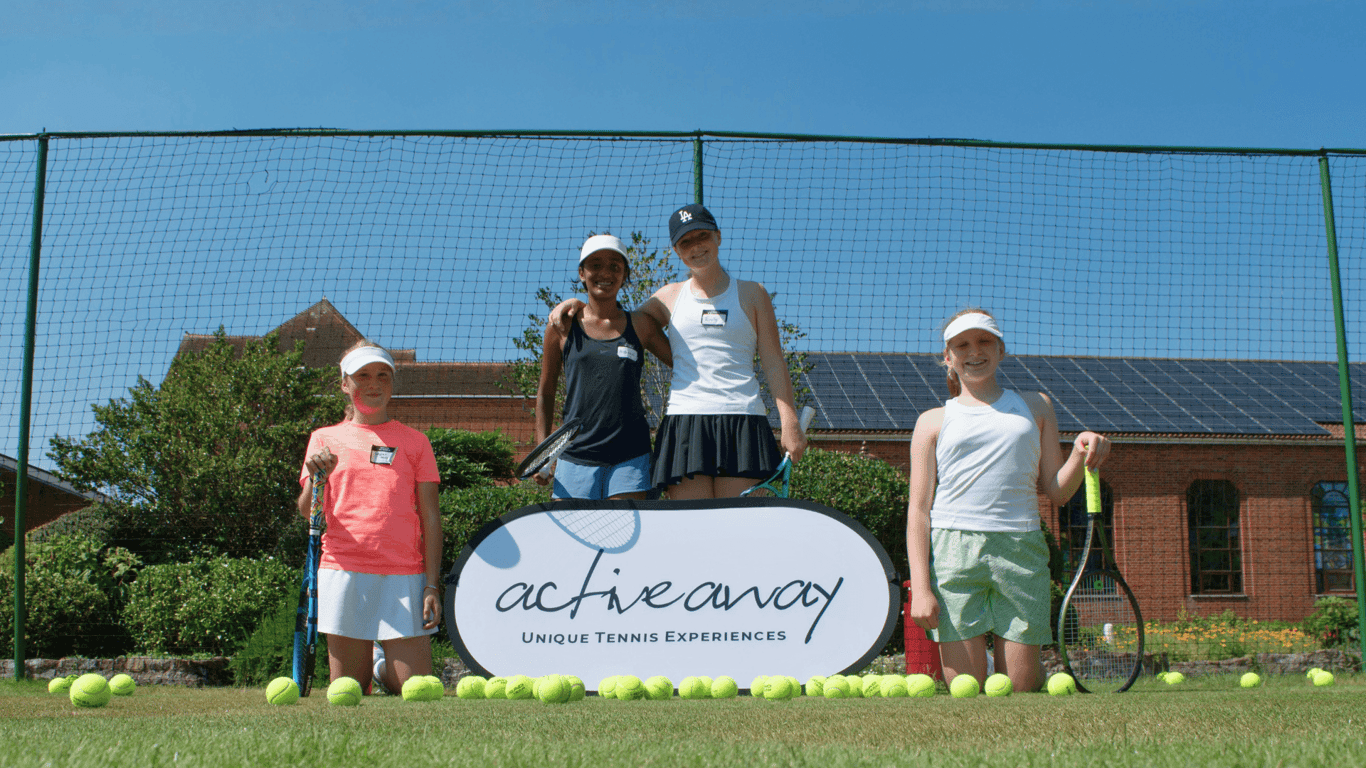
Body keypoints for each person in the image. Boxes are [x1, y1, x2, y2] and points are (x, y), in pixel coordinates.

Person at [905, 309, 1110, 692]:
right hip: (954, 549)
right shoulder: (932, 420)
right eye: (962, 345)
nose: (974, 351)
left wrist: (1082, 451)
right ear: (948, 357)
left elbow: (1057, 491)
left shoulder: (1036, 406)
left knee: (1020, 691)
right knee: (965, 688)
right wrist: (921, 586)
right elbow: (918, 510)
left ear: (1000, 349)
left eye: (984, 341)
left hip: (1022, 547)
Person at [551, 204, 806, 499]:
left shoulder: (753, 294)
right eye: (686, 241)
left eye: (703, 236)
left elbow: (773, 361)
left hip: (743, 420)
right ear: (676, 250)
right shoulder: (667, 297)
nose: (696, 247)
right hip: (686, 424)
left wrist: (790, 422)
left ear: (718, 237)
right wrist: (579, 306)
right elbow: (614, 320)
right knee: (692, 535)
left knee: (739, 533)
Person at [298, 341, 442, 695]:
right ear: (344, 384)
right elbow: (306, 511)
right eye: (362, 375)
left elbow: (431, 519)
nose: (373, 384)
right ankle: (371, 667)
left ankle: (382, 667)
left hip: (405, 573)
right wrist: (319, 476)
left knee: (413, 689)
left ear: (392, 383)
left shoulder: (416, 442)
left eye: (382, 375)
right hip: (343, 570)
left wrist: (432, 584)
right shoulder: (323, 439)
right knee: (349, 689)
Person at [535, 234, 672, 500]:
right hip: (575, 458)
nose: (604, 273)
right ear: (582, 273)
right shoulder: (560, 326)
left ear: (625, 275)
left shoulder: (641, 325)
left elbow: (685, 364)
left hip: (631, 458)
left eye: (614, 266)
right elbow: (546, 391)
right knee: (576, 542)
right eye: (595, 265)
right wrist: (545, 452)